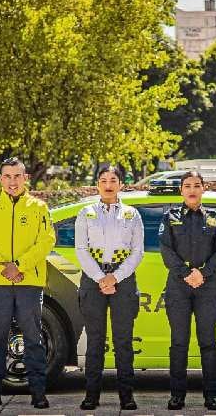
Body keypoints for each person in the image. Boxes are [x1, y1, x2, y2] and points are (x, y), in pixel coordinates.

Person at [0, 157, 55, 410]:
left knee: (33, 338)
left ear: (25, 178)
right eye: (7, 176)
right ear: (1, 179)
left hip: (28, 282)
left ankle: (38, 392)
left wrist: (18, 266)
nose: (12, 181)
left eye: (17, 176)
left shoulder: (39, 208)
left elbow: (46, 241)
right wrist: (3, 268)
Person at [74, 165, 145, 411]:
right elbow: (81, 249)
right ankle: (91, 395)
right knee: (95, 340)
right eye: (103, 180)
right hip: (93, 280)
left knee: (123, 340)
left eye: (113, 180)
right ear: (97, 184)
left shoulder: (132, 214)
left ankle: (127, 395)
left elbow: (138, 251)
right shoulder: (86, 213)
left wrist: (114, 277)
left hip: (123, 280)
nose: (108, 184)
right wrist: (99, 278)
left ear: (121, 184)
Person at [158, 171, 216, 410]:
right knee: (179, 343)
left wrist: (203, 273)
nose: (192, 189)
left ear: (203, 189)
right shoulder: (170, 217)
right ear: (181, 190)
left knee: (208, 342)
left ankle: (212, 396)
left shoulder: (215, 218)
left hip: (207, 287)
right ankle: (177, 396)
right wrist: (186, 273)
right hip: (178, 287)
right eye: (187, 185)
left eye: (196, 185)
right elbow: (166, 250)